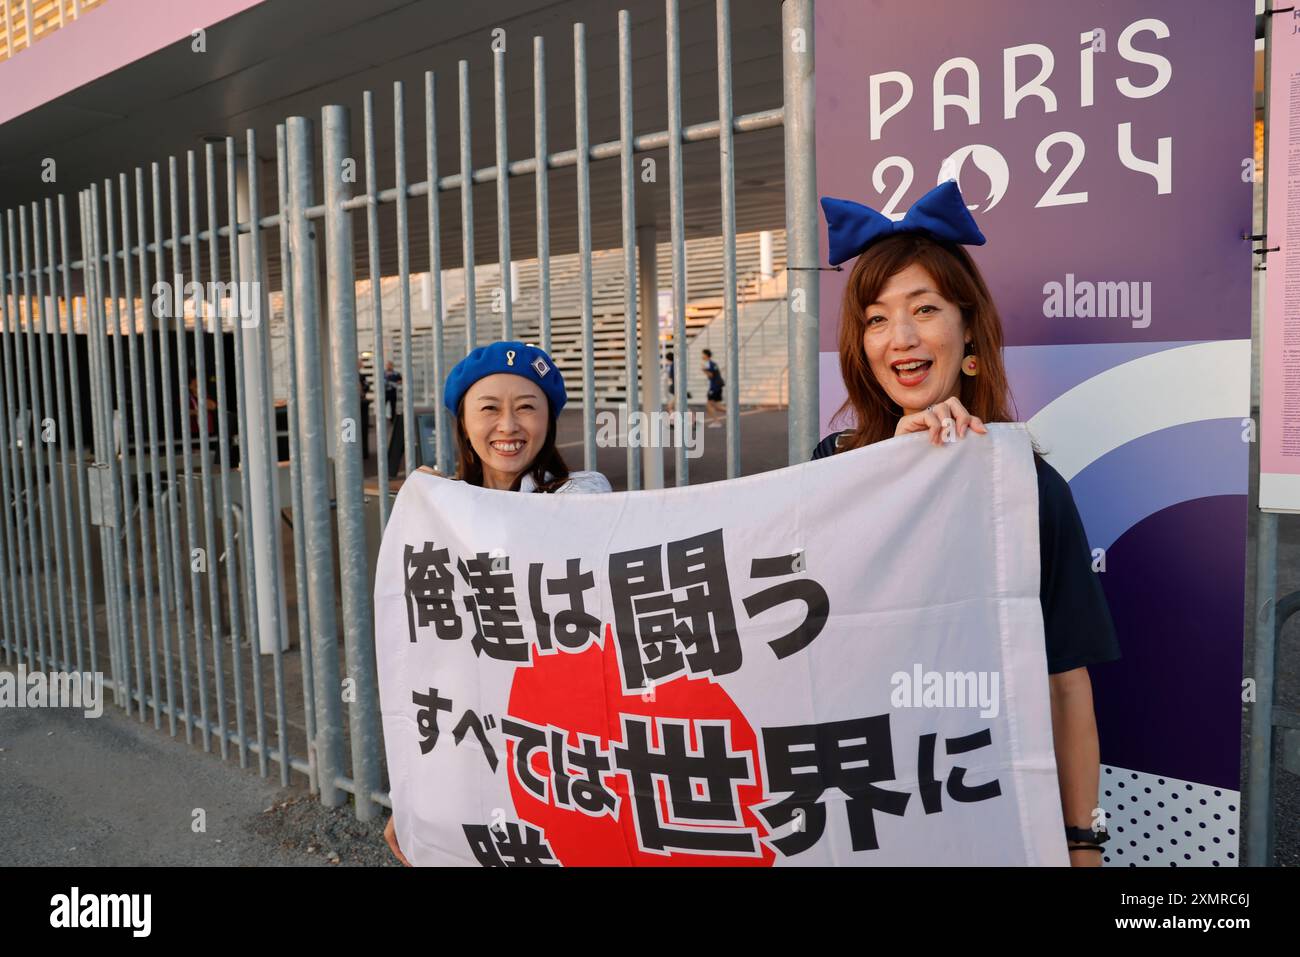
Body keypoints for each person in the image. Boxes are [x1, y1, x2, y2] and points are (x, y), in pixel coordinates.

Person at [812, 179, 1120, 867]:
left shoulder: (1028, 488)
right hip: (858, 804)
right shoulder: (828, 468)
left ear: (968, 325)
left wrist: (1083, 841)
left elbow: (1067, 688)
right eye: (877, 318)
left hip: (983, 802)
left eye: (925, 308)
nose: (904, 338)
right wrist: (898, 464)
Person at [385, 340, 611, 864]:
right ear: (463, 422)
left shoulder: (580, 494)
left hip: (556, 736)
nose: (508, 426)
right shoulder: (440, 510)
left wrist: (442, 504)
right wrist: (416, 792)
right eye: (489, 408)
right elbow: (431, 665)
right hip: (471, 731)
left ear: (549, 422)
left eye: (527, 407)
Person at [701, 348, 724, 427]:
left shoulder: (708, 363)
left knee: (709, 405)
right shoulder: (713, 363)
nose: (702, 356)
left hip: (714, 386)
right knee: (717, 406)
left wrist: (704, 370)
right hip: (717, 385)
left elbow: (711, 375)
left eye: (703, 354)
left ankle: (716, 422)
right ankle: (733, 414)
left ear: (706, 355)